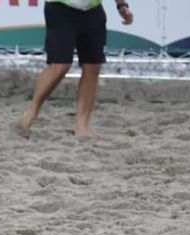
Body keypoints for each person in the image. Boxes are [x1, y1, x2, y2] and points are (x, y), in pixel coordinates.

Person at [16, 0, 134, 140]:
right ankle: (31, 113)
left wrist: (121, 6)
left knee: (93, 66)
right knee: (60, 65)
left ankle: (82, 127)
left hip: (92, 10)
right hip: (61, 7)